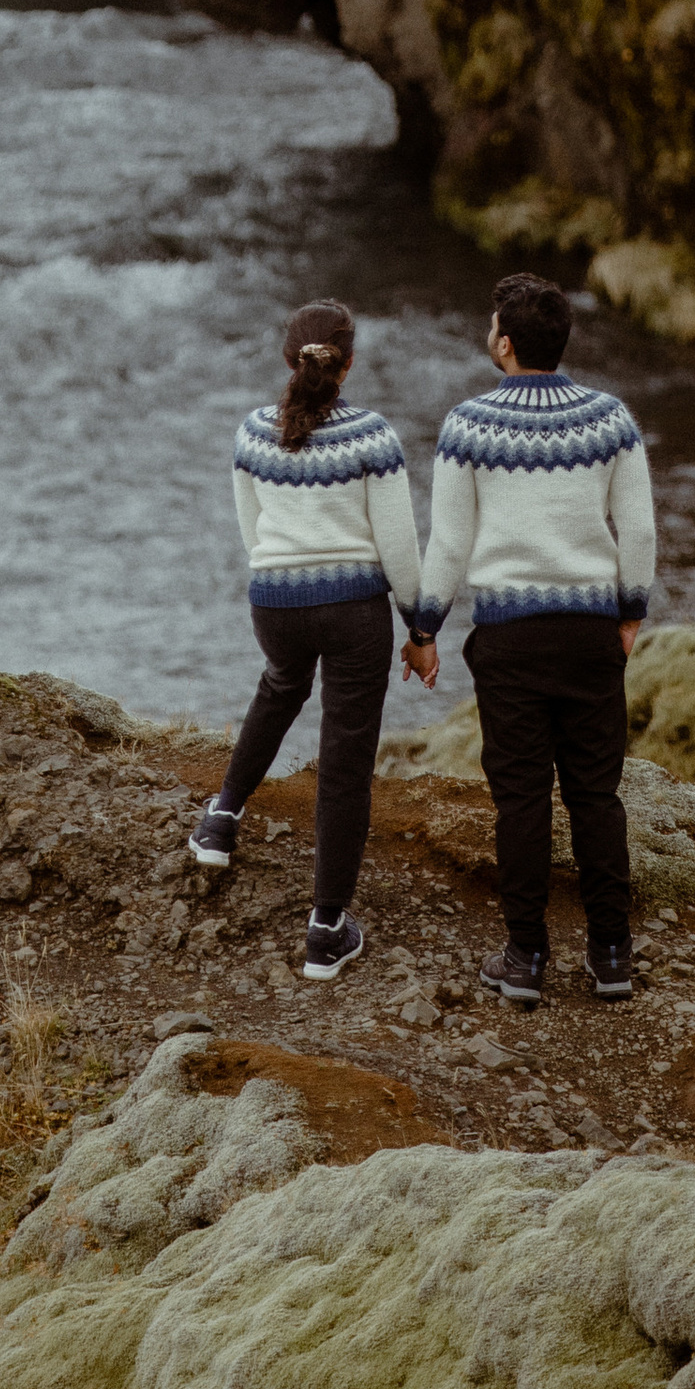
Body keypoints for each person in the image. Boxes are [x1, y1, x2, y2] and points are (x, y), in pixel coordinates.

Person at [406, 270, 655, 1005]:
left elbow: (449, 546)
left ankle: (525, 960)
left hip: (509, 638)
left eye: (491, 327)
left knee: (520, 801)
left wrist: (423, 631)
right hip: (589, 635)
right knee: (596, 796)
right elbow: (636, 529)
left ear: (505, 343)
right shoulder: (611, 420)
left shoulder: (468, 426)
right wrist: (630, 613)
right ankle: (611, 956)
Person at [190, 299, 427, 981]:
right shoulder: (372, 436)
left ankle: (220, 821)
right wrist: (420, 627)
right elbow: (399, 547)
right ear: (349, 363)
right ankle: (326, 931)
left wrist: (281, 581)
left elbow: (252, 529)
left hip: (274, 600)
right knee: (345, 760)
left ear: (288, 359)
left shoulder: (252, 432)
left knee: (280, 686)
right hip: (354, 612)